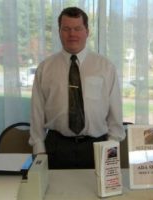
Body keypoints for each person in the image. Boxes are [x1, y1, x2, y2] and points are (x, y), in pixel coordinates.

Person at [29, 7, 125, 169]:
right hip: (56, 147)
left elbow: (115, 111)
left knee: (95, 194)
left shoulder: (105, 67)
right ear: (59, 32)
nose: (72, 34)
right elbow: (36, 111)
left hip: (97, 146)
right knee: (56, 193)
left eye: (77, 28)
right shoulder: (45, 68)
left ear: (87, 31)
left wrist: (111, 147)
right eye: (66, 29)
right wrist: (39, 147)